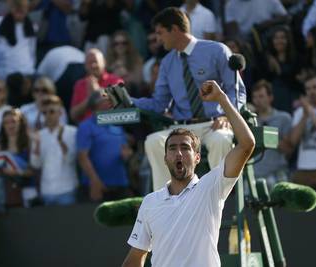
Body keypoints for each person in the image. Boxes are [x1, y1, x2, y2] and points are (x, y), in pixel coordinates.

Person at [122, 80, 255, 267]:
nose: (178, 153)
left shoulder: (211, 187)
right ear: (165, 158)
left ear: (197, 158)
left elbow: (246, 144)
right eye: (172, 148)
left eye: (185, 148)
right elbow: (136, 256)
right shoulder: (150, 202)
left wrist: (222, 99)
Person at [132, 7, 246, 191]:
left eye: (161, 33)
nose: (158, 39)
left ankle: (219, 196)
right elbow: (159, 103)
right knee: (153, 141)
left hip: (215, 124)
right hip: (183, 128)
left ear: (175, 30)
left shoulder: (217, 50)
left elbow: (237, 91)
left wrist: (228, 116)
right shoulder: (167, 63)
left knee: (221, 140)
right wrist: (128, 102)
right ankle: (167, 201)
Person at [76, 92, 133, 202]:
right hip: (97, 187)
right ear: (95, 105)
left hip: (120, 185)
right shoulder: (85, 126)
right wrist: (94, 181)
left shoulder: (117, 125)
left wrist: (126, 154)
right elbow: (82, 157)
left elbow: (125, 150)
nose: (110, 103)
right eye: (106, 100)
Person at [31, 95, 78, 205]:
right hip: (46, 191)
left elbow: (71, 160)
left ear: (60, 112)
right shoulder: (39, 135)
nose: (48, 115)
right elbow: (35, 164)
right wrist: (37, 145)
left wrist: (62, 143)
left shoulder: (72, 132)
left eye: (51, 111)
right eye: (44, 113)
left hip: (68, 189)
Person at [0, 109, 35, 210]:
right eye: (6, 123)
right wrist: (3, 172)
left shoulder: (29, 143)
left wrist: (17, 172)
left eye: (13, 121)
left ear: (20, 123)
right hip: (5, 194)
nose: (10, 125)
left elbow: (33, 171)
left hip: (26, 191)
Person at [251, 80, 292, 187]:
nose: (257, 101)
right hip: (253, 175)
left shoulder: (284, 118)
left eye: (261, 96)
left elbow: (289, 150)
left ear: (270, 98)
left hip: (277, 173)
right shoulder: (249, 121)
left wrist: (267, 136)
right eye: (255, 97)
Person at [70, 48, 123, 124]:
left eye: (95, 61)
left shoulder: (116, 81)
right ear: (85, 66)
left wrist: (98, 92)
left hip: (110, 126)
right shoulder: (79, 84)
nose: (93, 65)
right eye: (89, 63)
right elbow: (73, 115)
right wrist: (89, 99)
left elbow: (120, 107)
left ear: (104, 62)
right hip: (87, 128)